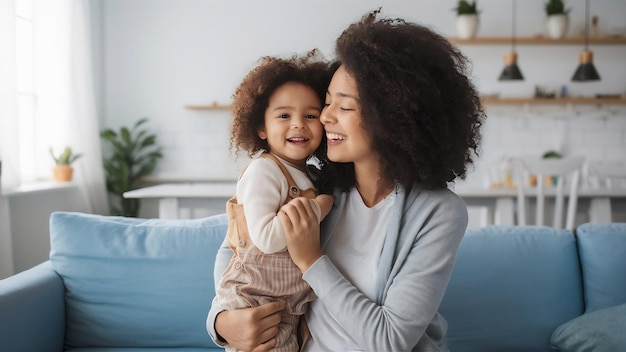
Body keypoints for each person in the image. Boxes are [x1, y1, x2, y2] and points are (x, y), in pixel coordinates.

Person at [208, 9, 485, 352]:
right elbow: (237, 246)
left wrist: (311, 260)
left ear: (393, 119)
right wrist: (221, 322)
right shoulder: (321, 186)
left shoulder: (438, 213)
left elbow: (390, 340)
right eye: (326, 103)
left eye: (345, 107)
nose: (325, 117)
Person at [213, 51, 335, 352]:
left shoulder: (307, 174)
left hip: (286, 305)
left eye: (310, 115)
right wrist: (317, 208)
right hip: (255, 301)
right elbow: (266, 239)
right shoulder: (264, 170)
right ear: (261, 127)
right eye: (284, 116)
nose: (299, 125)